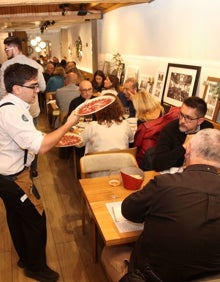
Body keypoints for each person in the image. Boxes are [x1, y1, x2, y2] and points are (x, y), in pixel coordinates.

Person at [102, 128, 220, 282]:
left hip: (155, 276)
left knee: (109, 252)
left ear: (188, 150)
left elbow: (128, 211)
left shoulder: (165, 184)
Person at [0, 63, 79, 282]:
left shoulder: (10, 106)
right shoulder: (12, 112)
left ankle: (25, 259)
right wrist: (68, 124)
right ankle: (36, 268)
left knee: (16, 216)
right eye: (33, 86)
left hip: (6, 175)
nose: (38, 90)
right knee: (36, 219)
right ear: (16, 88)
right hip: (13, 178)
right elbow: (41, 147)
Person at [0, 35, 46, 178]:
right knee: (33, 138)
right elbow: (43, 87)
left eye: (6, 49)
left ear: (14, 48)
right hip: (33, 109)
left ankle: (20, 171)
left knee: (18, 144)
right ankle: (33, 169)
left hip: (13, 108)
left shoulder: (7, 67)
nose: (6, 52)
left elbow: (2, 91)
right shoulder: (35, 64)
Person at [151, 96, 213, 172]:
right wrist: (184, 147)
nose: (182, 121)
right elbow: (158, 164)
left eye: (188, 118)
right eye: (181, 114)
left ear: (200, 121)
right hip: (171, 173)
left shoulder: (207, 129)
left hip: (196, 173)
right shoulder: (169, 130)